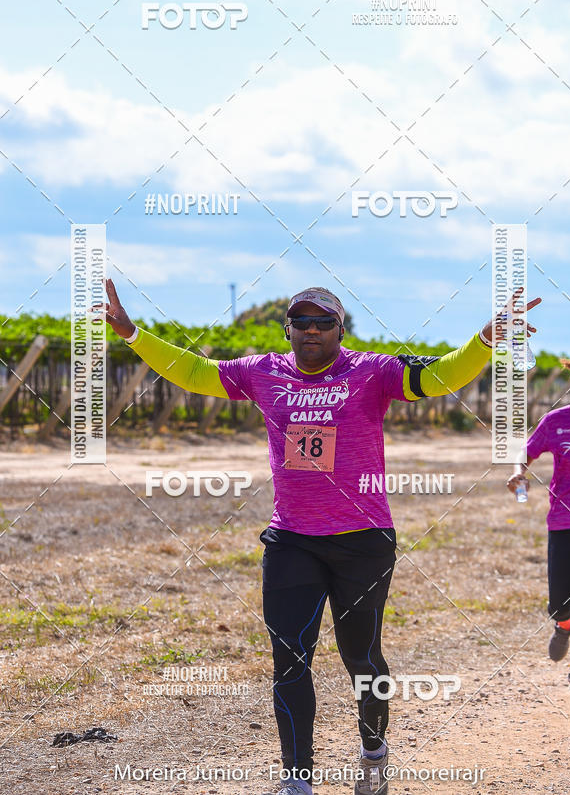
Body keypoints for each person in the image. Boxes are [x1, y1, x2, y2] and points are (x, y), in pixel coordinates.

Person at [96, 280, 539, 795]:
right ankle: (297, 779)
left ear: (339, 329)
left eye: (322, 321)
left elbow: (440, 377)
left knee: (362, 659)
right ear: (287, 328)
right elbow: (194, 373)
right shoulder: (262, 372)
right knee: (289, 660)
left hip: (363, 542)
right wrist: (132, 334)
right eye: (301, 321)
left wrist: (485, 339)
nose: (311, 329)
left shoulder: (371, 371)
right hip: (292, 542)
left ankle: (373, 749)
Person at [507, 351, 570, 695]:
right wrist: (518, 474)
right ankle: (562, 625)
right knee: (559, 603)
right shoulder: (557, 421)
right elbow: (526, 452)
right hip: (562, 520)